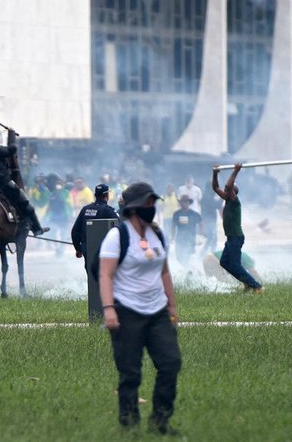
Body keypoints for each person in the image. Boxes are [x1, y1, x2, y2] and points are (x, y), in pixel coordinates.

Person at [98, 182, 181, 435]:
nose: (151, 208)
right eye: (147, 203)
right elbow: (105, 275)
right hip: (127, 311)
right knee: (130, 372)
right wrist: (109, 309)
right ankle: (130, 425)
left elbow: (164, 271)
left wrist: (172, 306)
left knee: (170, 363)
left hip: (157, 312)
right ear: (134, 208)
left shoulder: (157, 234)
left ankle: (160, 421)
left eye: (152, 203)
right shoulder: (118, 236)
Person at [0, 128, 44, 236]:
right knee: (25, 204)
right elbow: (12, 149)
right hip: (4, 183)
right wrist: (12, 135)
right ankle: (37, 229)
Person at [212, 163, 262, 293]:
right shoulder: (227, 199)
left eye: (228, 190)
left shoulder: (235, 201)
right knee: (224, 262)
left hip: (236, 238)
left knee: (235, 265)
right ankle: (247, 282)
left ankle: (257, 286)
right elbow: (215, 187)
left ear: (233, 192)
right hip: (231, 238)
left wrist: (235, 171)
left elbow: (228, 186)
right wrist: (215, 173)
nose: (225, 190)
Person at [71, 183, 119, 270]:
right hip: (105, 251)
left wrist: (78, 248)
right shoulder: (108, 211)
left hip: (87, 249)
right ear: (107, 195)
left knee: (91, 276)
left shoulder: (85, 209)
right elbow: (121, 228)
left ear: (95, 195)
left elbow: (75, 231)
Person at [170, 194, 202, 270]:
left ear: (189, 203)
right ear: (180, 203)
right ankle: (190, 268)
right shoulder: (176, 214)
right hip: (179, 238)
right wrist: (172, 236)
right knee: (178, 256)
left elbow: (201, 223)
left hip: (190, 238)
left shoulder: (194, 214)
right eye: (182, 202)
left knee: (188, 255)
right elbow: (173, 226)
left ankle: (190, 270)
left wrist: (201, 235)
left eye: (186, 202)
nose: (184, 203)